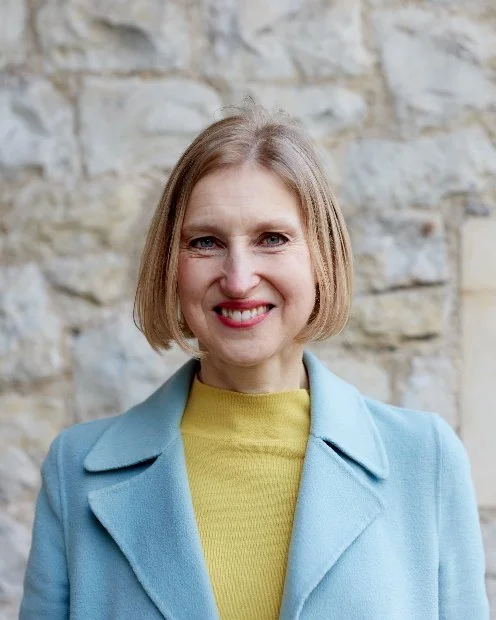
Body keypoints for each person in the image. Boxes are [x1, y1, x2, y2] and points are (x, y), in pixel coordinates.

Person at [19, 102, 489, 620]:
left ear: (321, 257)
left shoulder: (424, 461)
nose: (239, 279)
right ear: (171, 266)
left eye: (272, 239)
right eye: (205, 242)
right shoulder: (75, 472)